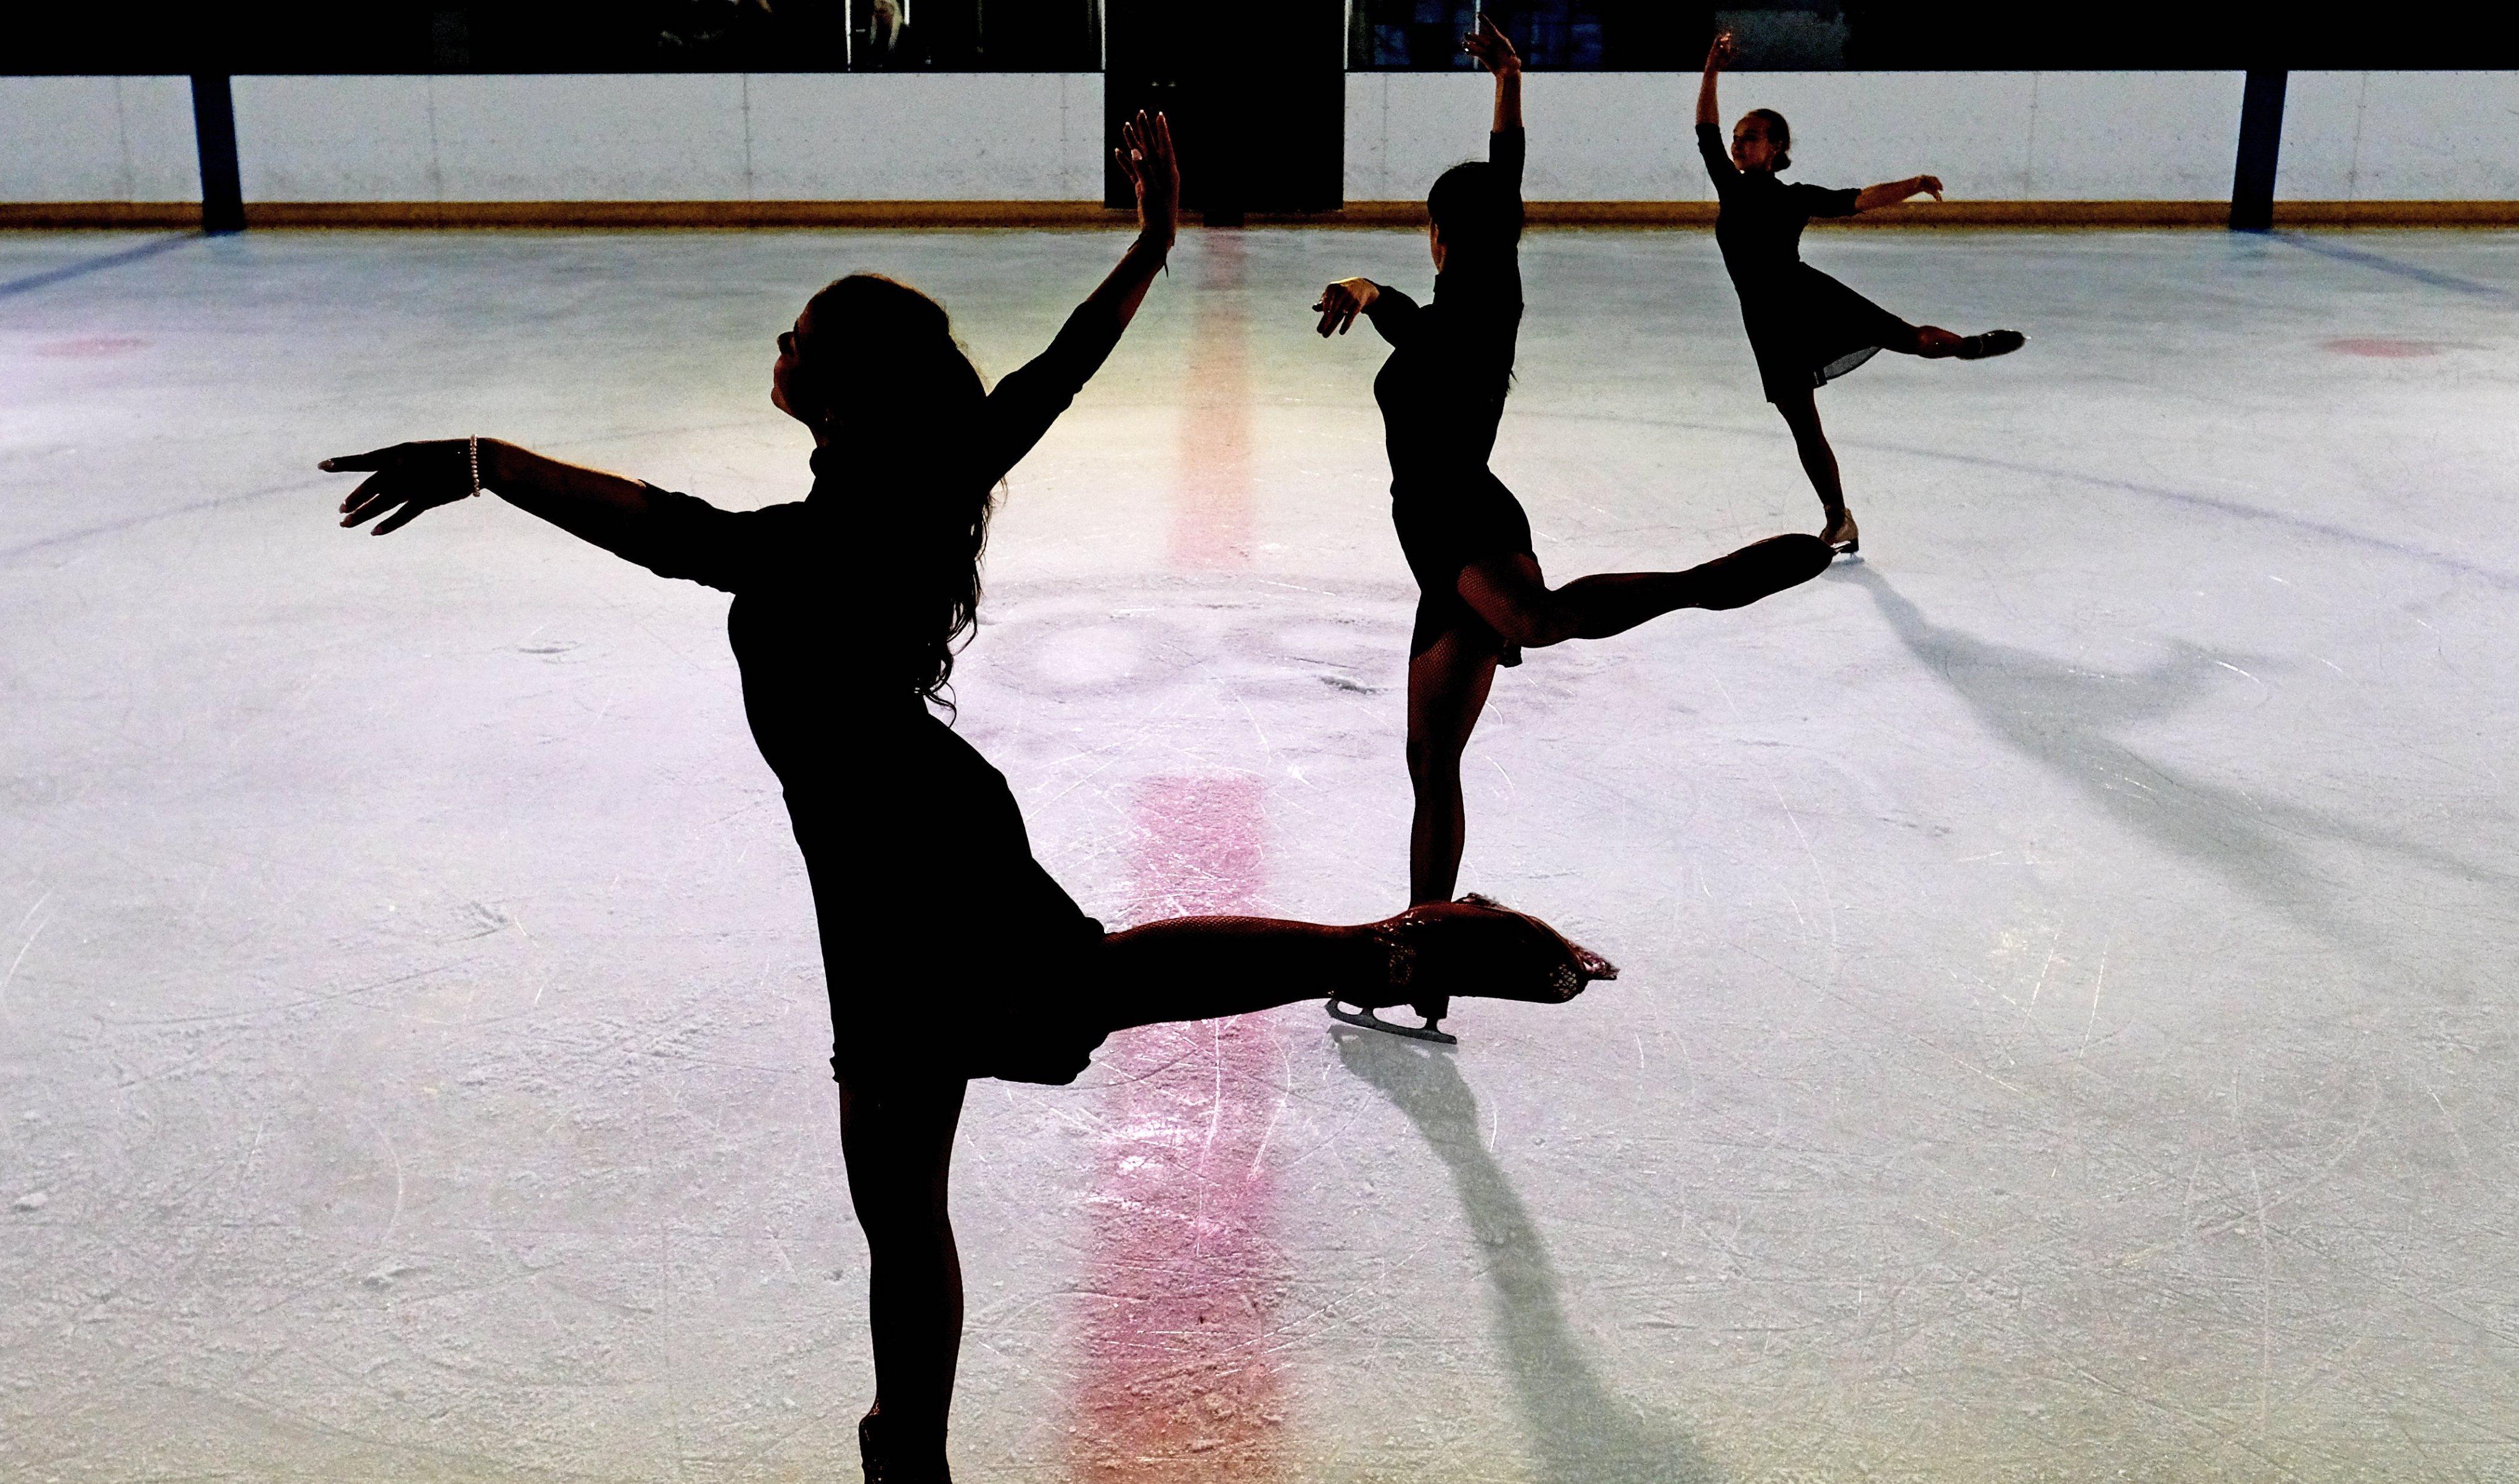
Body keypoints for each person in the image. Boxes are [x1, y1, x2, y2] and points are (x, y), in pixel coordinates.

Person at [318, 112, 1613, 1484]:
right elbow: (1056, 371)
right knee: (923, 1161)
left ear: (846, 387)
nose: (782, 345)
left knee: (1033, 1045)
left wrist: (486, 462)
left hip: (910, 850)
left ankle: (1398, 944)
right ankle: (907, 1448)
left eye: (800, 337)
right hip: (882, 848)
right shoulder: (927, 482)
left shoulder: (831, 535)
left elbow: (674, 536)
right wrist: (1154, 243)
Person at [1311, 14, 1830, 1039]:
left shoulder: (1484, 290)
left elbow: (1489, 205)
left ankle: (1698, 583)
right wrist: (1369, 290)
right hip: (1433, 551)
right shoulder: (1449, 305)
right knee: (1429, 763)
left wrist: (1509, 97)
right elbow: (1414, 319)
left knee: (1537, 619)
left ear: (1441, 234)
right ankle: (1426, 958)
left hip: (1463, 514)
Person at [1696, 29, 2026, 554]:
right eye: (1738, 137)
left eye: (1751, 136)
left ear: (1776, 148)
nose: (1738, 144)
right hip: (1767, 323)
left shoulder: (1796, 198)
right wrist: (1712, 68)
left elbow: (1861, 200)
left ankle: (1968, 346)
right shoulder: (1729, 183)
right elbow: (1704, 129)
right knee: (1805, 428)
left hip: (1812, 301)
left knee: (1910, 339)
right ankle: (1838, 519)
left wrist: (1914, 183)